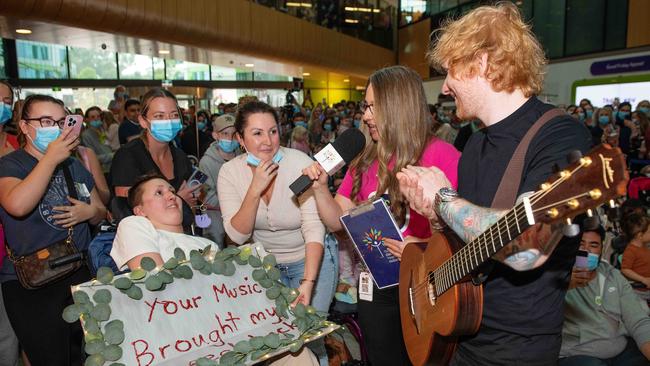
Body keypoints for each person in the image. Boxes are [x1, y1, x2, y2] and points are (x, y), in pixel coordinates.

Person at [397, 4, 592, 364]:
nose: (445, 87)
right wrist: (434, 213)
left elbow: (525, 250)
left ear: (483, 63)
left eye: (451, 71)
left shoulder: (561, 136)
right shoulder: (473, 144)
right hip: (462, 331)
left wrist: (442, 199)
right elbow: (466, 238)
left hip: (517, 349)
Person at [302, 65, 460, 366]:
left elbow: (462, 232)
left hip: (426, 287)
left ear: (398, 106)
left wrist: (421, 248)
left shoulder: (443, 157)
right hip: (375, 286)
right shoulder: (364, 157)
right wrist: (321, 189)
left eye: (374, 107)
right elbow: (338, 221)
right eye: (365, 106)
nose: (366, 115)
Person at [218, 101, 336, 366]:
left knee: (309, 336)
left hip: (309, 259)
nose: (267, 141)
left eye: (273, 131)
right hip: (266, 267)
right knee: (276, 339)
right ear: (240, 138)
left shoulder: (299, 163)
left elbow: (313, 227)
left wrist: (308, 281)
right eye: (257, 133)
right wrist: (254, 189)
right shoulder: (230, 172)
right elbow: (236, 237)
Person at [0, 94, 106, 365]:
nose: (55, 128)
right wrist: (49, 159)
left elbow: (101, 211)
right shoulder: (10, 165)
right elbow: (17, 205)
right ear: (24, 126)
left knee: (88, 356)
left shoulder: (72, 165)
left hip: (78, 272)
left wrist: (89, 212)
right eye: (45, 121)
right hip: (32, 282)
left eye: (60, 121)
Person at [560, 220, 650, 365]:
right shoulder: (556, 278)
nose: (586, 250)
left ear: (602, 249)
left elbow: (637, 319)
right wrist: (564, 285)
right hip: (577, 353)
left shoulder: (613, 276)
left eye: (593, 245)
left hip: (618, 349)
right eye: (581, 244)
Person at [110, 88, 200, 221]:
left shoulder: (180, 156)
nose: (168, 121)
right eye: (159, 116)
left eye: (174, 115)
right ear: (143, 121)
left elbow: (190, 206)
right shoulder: (128, 156)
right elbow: (126, 214)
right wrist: (178, 199)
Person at [111, 174, 215, 270]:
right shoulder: (132, 225)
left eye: (173, 192)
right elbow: (153, 278)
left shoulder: (209, 244)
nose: (172, 196)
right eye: (159, 193)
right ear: (140, 211)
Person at [198, 114, 240, 248]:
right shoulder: (206, 162)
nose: (230, 138)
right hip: (215, 215)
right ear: (215, 135)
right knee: (217, 248)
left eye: (234, 134)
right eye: (225, 134)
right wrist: (233, 202)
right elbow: (206, 194)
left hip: (240, 214)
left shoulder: (243, 157)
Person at [621, 213, 650, 301]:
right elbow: (625, 269)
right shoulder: (631, 251)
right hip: (640, 291)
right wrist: (643, 279)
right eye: (649, 232)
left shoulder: (644, 246)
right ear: (640, 235)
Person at [80, 106, 113, 173]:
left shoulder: (102, 130)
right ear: (86, 120)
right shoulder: (86, 135)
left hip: (111, 167)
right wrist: (112, 156)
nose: (96, 119)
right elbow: (93, 157)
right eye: (92, 117)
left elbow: (107, 147)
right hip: (101, 171)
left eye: (98, 116)